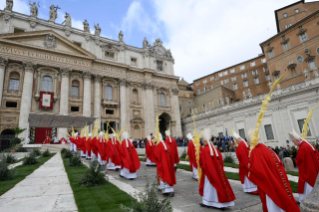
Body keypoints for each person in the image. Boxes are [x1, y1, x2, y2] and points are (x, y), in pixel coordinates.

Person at [249, 129, 300, 212]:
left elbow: (258, 170)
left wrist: (250, 170)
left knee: (273, 203)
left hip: (268, 183)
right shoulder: (265, 148)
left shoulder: (255, 151)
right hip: (276, 178)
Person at [199, 128, 236, 210]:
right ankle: (220, 204)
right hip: (218, 172)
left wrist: (201, 166)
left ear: (205, 141)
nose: (202, 141)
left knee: (209, 188)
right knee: (218, 185)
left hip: (209, 173)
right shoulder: (214, 148)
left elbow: (203, 163)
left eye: (202, 140)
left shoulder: (205, 149)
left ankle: (208, 202)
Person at [289, 130, 319, 203]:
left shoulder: (302, 147)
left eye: (294, 142)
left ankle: (305, 200)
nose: (294, 144)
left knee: (306, 185)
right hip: (312, 167)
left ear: (297, 140)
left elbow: (299, 160)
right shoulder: (307, 143)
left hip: (307, 169)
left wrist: (296, 159)